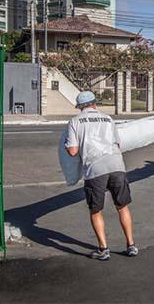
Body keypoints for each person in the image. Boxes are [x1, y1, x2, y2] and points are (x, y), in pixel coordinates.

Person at [65, 91, 137, 261]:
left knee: (95, 210)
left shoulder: (75, 122)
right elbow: (117, 144)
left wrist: (66, 146)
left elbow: (73, 151)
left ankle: (103, 250)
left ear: (80, 107)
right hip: (117, 165)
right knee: (122, 206)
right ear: (94, 104)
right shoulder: (108, 119)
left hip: (95, 169)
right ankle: (131, 245)